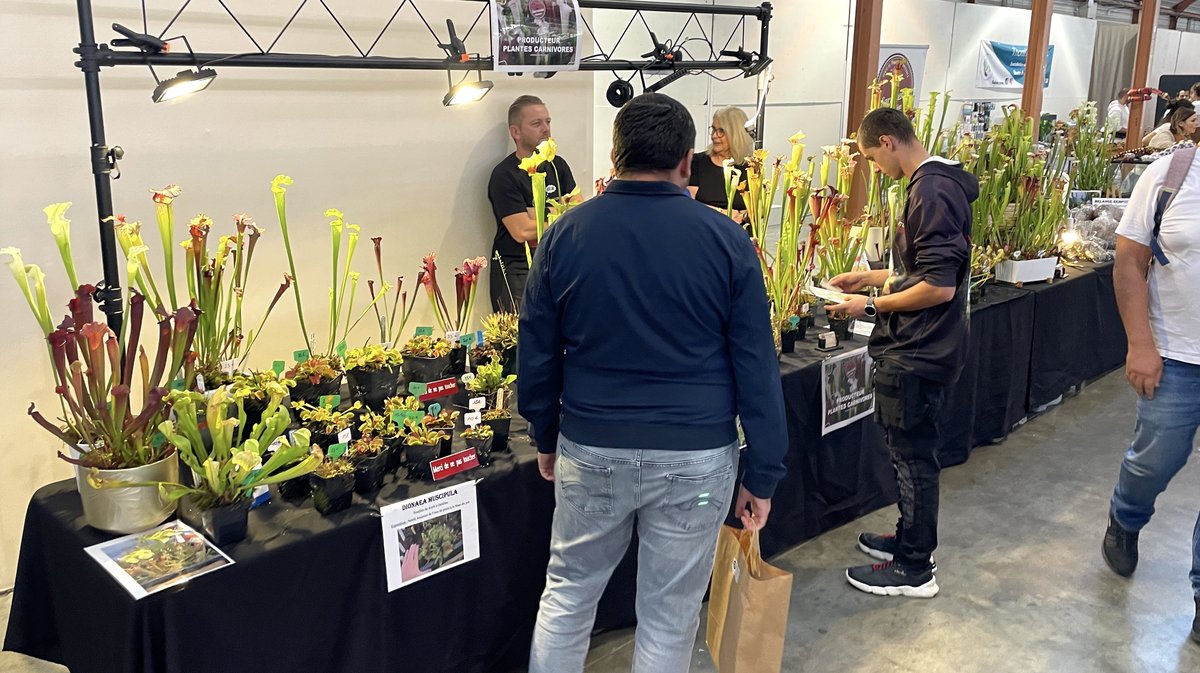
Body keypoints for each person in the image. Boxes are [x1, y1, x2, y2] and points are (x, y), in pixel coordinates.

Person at [519, 92, 788, 673]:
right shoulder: (725, 241)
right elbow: (756, 365)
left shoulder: (565, 237)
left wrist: (544, 433)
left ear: (614, 156)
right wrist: (763, 471)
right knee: (669, 615)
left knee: (567, 597)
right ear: (687, 162)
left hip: (592, 448)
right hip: (695, 457)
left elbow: (537, 354)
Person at [826, 107, 977, 598]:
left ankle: (915, 568)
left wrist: (868, 303)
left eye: (872, 157)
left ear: (888, 142)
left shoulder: (930, 190)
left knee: (913, 457)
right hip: (922, 344)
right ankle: (910, 537)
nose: (874, 168)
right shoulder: (935, 183)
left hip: (919, 348)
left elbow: (937, 287)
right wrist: (871, 277)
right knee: (907, 453)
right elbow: (927, 271)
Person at [1101, 145, 1200, 645]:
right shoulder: (1171, 175)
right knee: (1155, 460)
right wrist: (1140, 343)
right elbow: (1128, 263)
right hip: (1178, 352)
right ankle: (1126, 515)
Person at [487, 95, 576, 312]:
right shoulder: (505, 175)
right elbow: (522, 232)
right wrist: (558, 212)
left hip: (555, 265)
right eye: (536, 123)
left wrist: (536, 214)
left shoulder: (557, 165)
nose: (546, 129)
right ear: (516, 132)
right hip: (517, 271)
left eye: (548, 122)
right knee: (519, 341)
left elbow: (577, 212)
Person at [688, 106, 751, 222]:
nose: (714, 136)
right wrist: (721, 212)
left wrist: (743, 217)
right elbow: (689, 202)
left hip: (741, 234)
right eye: (713, 129)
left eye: (721, 131)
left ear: (735, 134)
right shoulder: (697, 162)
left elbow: (758, 209)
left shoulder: (751, 167)